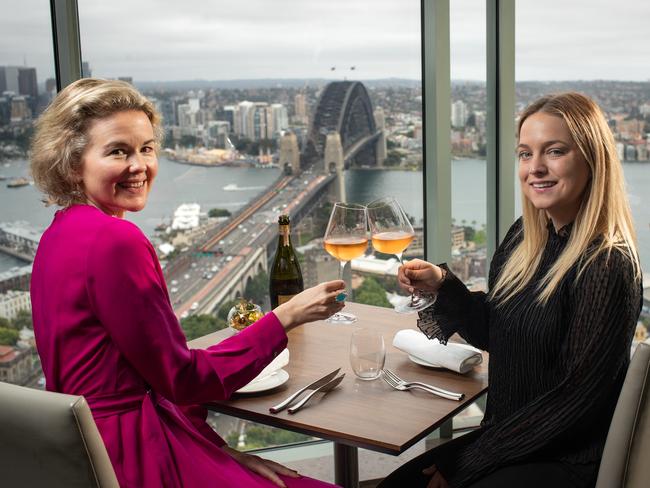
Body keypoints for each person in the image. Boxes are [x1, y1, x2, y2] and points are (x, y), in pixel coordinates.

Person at [29, 78, 346, 488]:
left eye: (146, 148)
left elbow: (141, 373)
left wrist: (216, 447)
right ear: (73, 164)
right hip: (137, 455)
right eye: (117, 151)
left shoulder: (58, 234)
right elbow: (181, 379)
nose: (139, 166)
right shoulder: (115, 240)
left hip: (87, 454)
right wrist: (283, 318)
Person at [380, 92, 643, 488]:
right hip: (510, 440)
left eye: (554, 151)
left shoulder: (606, 264)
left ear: (592, 159)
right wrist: (443, 283)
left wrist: (470, 461)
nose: (535, 168)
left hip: (564, 458)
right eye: (525, 153)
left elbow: (575, 400)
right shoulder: (526, 236)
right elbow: (497, 329)